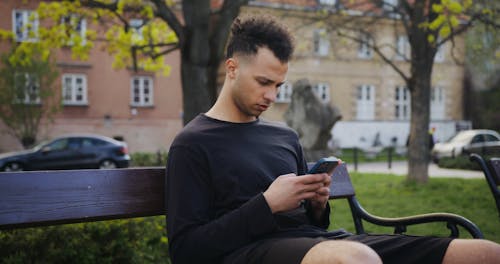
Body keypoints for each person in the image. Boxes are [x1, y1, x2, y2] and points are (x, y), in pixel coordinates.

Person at [165, 15, 500, 264]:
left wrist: (317, 203)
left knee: (483, 254)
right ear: (233, 68)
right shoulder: (193, 144)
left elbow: (313, 225)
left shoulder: (283, 136)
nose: (271, 95)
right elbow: (187, 250)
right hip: (247, 253)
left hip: (318, 242)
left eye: (279, 86)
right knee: (355, 258)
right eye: (264, 82)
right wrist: (266, 205)